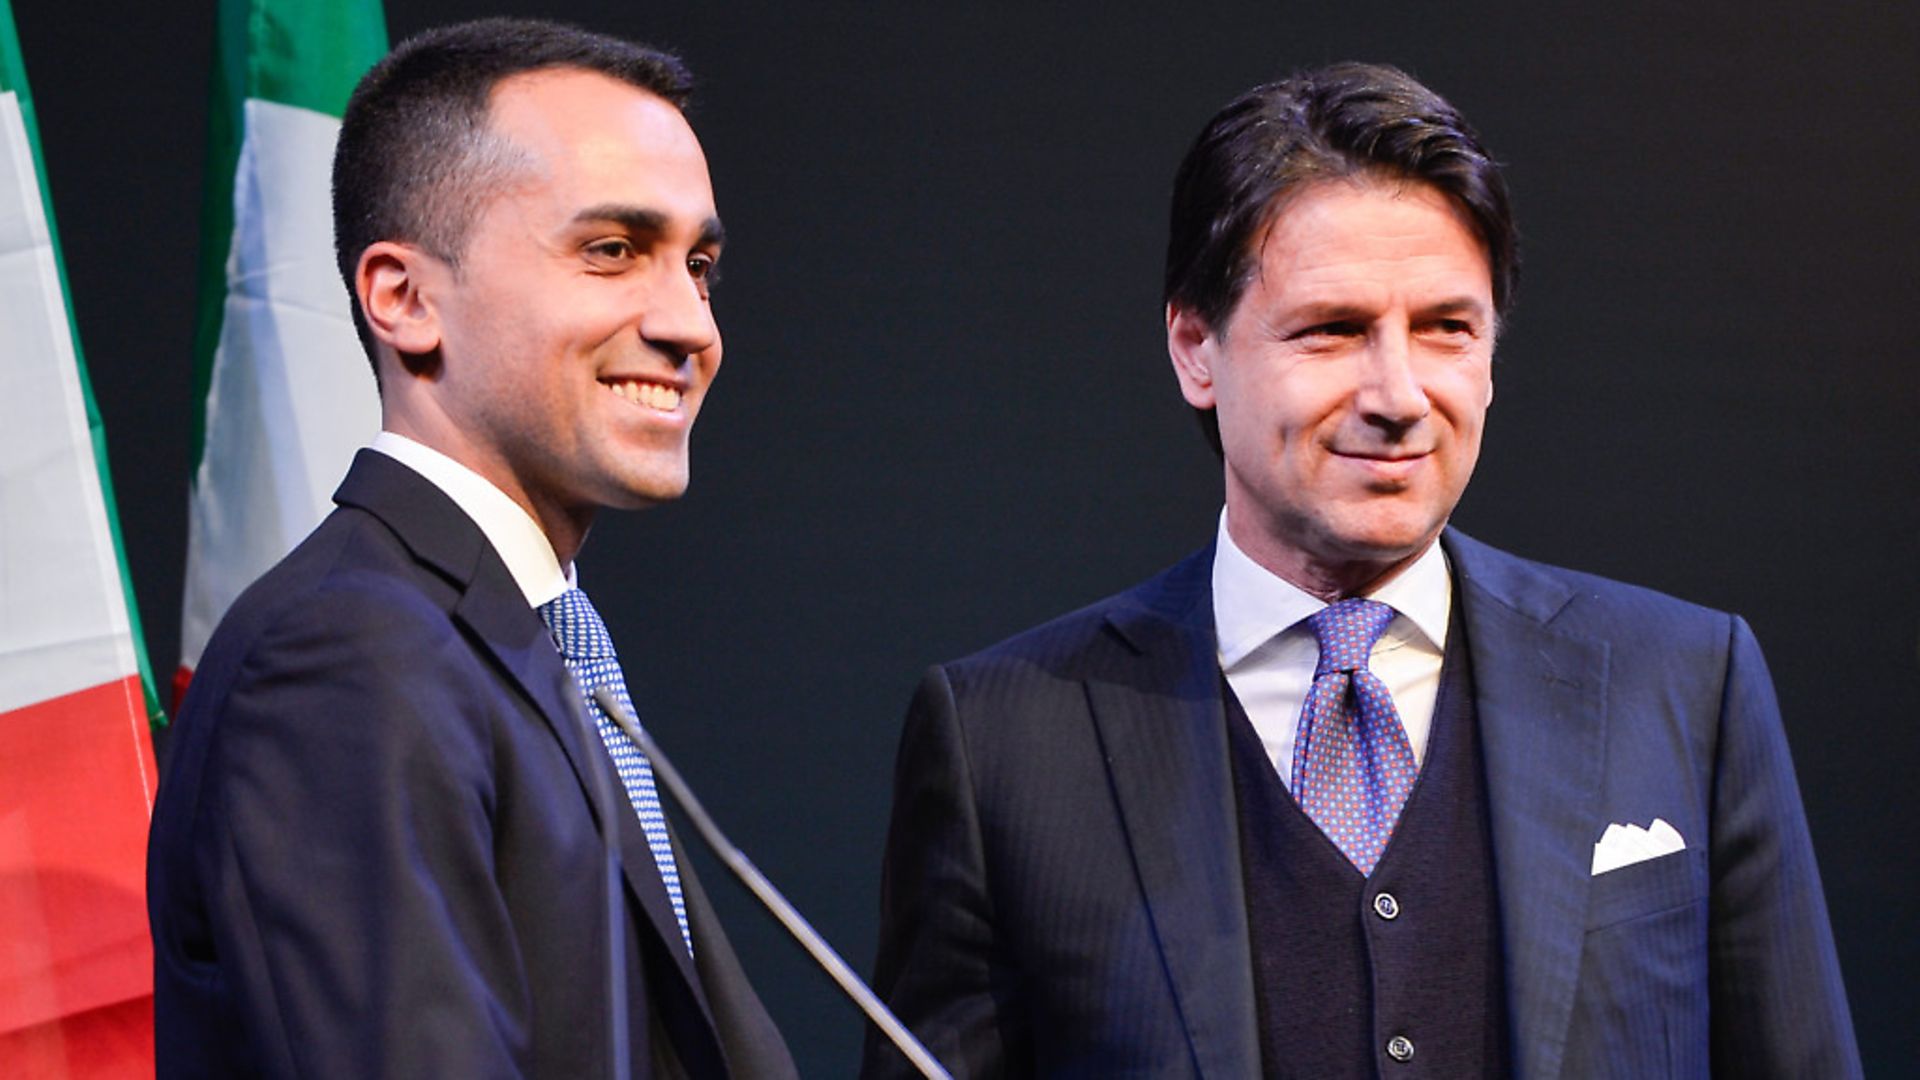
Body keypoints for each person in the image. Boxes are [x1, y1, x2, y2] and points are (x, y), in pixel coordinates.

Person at [864, 63, 1859, 1078]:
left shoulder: (1687, 686)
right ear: (1195, 348)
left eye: (1445, 330)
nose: (1399, 394)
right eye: (1334, 330)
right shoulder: (1006, 744)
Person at [147, 19, 796, 1078]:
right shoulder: (345, 658)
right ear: (404, 299)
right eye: (612, 251)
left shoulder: (524, 643)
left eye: (703, 266)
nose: (691, 325)